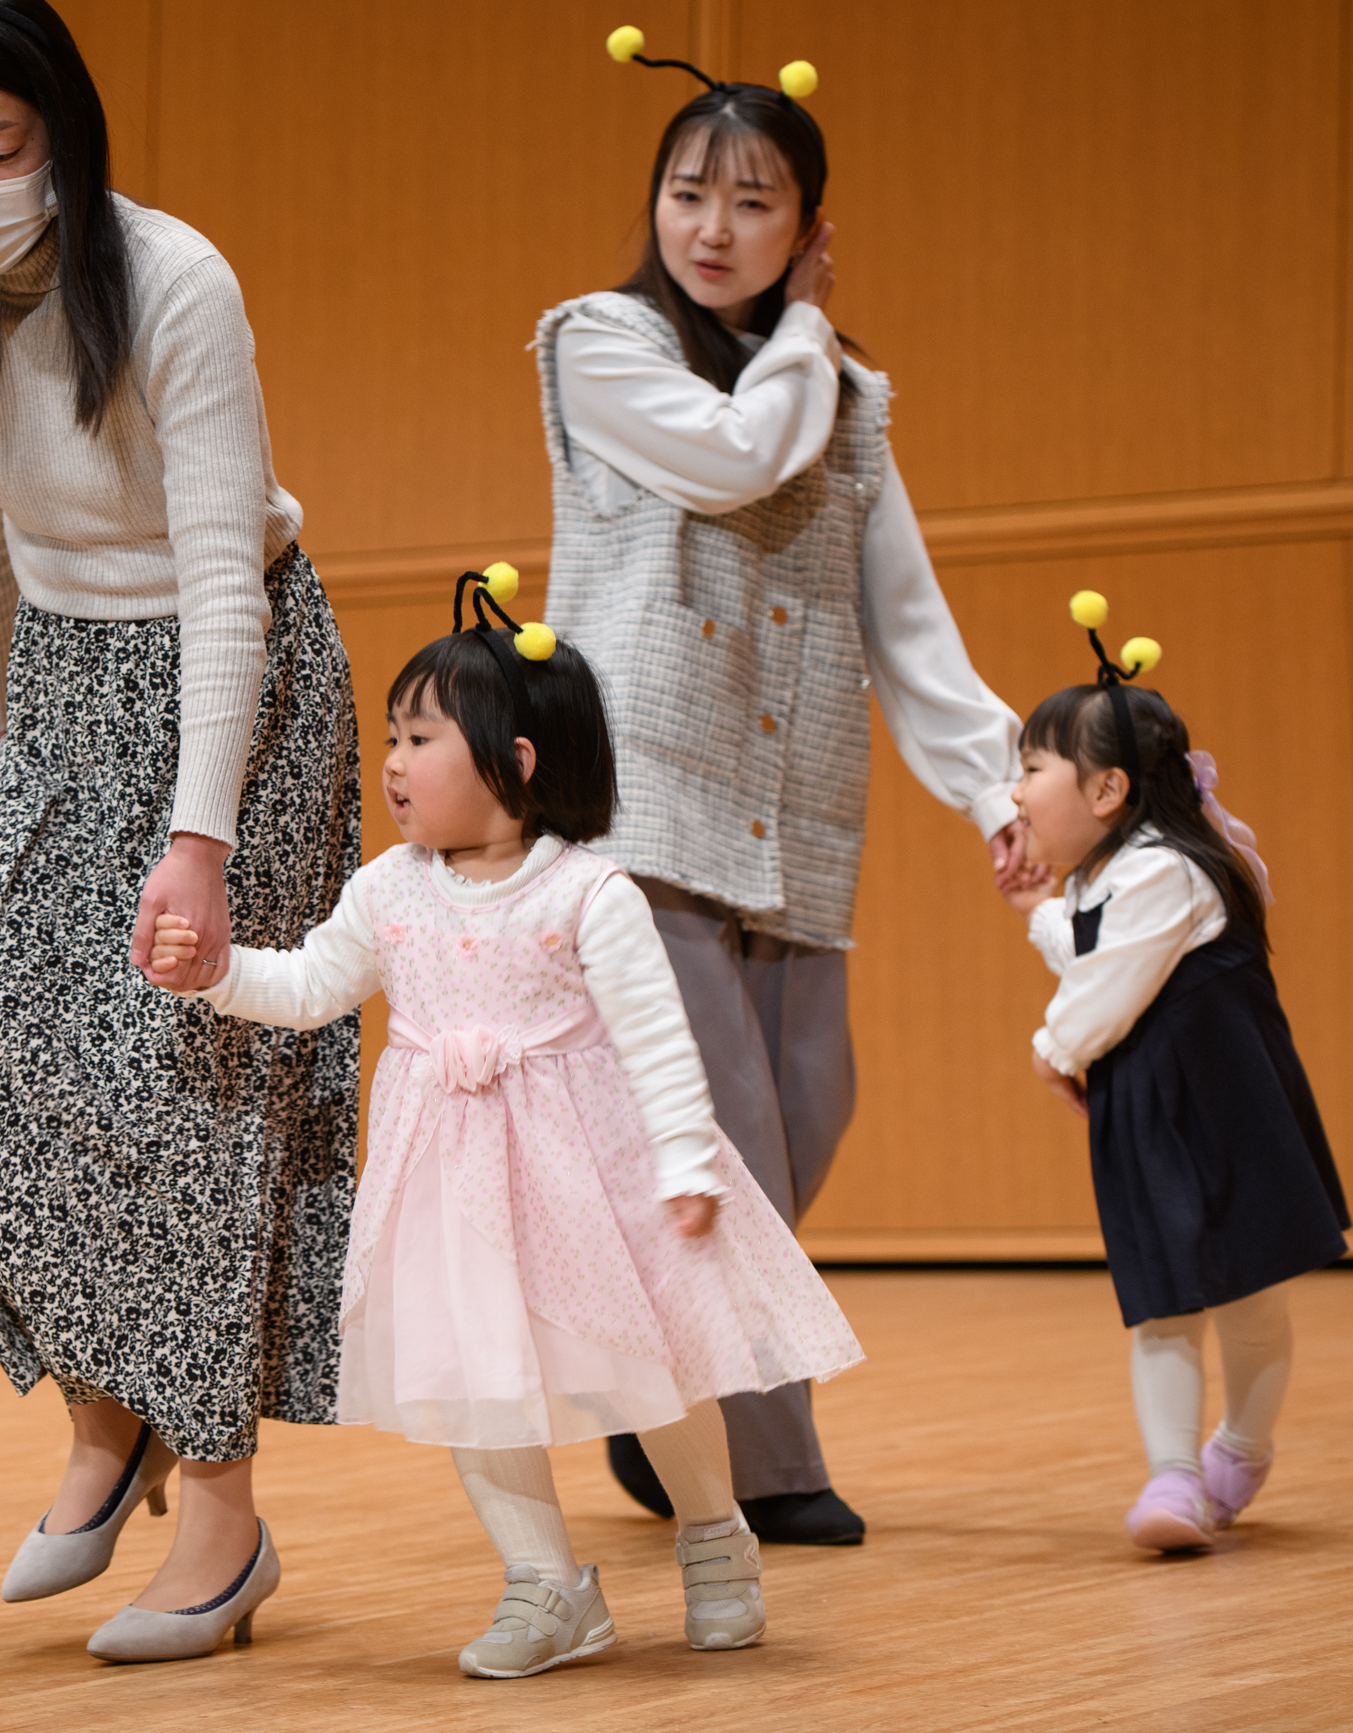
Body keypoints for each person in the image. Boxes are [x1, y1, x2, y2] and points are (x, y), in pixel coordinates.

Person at [0, 0, 363, 1660]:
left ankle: (219, 1522)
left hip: (239, 678)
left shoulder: (173, 283)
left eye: (1, 152)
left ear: (65, 133)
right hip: (63, 686)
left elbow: (224, 567)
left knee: (192, 1082)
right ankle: (111, 1409)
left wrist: (200, 840)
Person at [148, 575, 863, 1676]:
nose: (390, 759)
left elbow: (657, 1040)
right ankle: (543, 1583)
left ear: (516, 762)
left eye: (419, 736)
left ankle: (715, 1536)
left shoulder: (587, 893)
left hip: (592, 1178)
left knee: (652, 1369)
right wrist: (214, 974)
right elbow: (307, 985)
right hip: (452, 1188)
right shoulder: (388, 889)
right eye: (390, 733)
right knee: (473, 1382)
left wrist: (683, 1159)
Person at [537, 30, 1038, 1544]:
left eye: (752, 205)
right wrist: (812, 333)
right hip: (640, 804)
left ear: (807, 230)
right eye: (688, 193)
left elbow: (907, 616)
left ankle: (652, 1388)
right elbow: (738, 458)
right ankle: (762, 1467)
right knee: (735, 1138)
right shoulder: (597, 343)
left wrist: (997, 787)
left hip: (792, 811)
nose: (710, 227)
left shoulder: (845, 399)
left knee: (809, 1112)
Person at [1000, 594, 1351, 1553]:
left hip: (1228, 1115)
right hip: (1156, 1116)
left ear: (1107, 792)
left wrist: (1053, 1050)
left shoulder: (1164, 870)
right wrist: (1042, 900)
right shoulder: (1112, 878)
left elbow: (1106, 986)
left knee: (1249, 1299)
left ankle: (1240, 1446)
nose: (1017, 794)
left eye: (1030, 769)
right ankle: (1175, 1478)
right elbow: (1091, 957)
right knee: (1161, 1300)